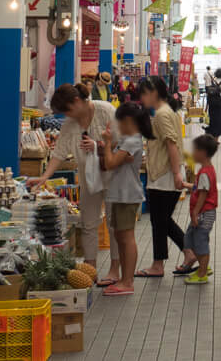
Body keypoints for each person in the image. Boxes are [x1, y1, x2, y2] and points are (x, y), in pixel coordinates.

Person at [27, 82, 114, 275]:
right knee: (88, 223)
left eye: (67, 111)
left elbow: (123, 142)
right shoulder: (69, 125)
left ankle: (115, 270)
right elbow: (59, 153)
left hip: (113, 176)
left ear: (77, 101)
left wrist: (98, 145)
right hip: (87, 180)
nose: (67, 116)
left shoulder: (105, 110)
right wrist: (44, 177)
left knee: (113, 225)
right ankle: (91, 270)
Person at [135, 76, 188, 277]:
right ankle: (186, 253)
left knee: (160, 221)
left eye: (144, 93)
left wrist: (175, 173)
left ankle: (164, 262)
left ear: (154, 93)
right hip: (166, 173)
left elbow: (171, 144)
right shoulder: (167, 112)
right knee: (162, 221)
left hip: (164, 174)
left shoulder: (162, 114)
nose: (141, 98)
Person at [96, 102, 151, 296]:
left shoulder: (131, 141)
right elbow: (117, 161)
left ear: (128, 121)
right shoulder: (129, 140)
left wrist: (108, 144)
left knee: (127, 238)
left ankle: (128, 281)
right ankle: (124, 278)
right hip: (120, 193)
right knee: (120, 236)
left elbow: (110, 164)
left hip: (127, 194)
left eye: (120, 121)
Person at [183, 134, 220, 285]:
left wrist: (195, 213)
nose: (192, 153)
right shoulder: (206, 170)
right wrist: (186, 185)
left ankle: (202, 273)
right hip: (203, 213)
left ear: (203, 152)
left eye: (195, 150)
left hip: (203, 213)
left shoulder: (205, 172)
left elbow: (203, 194)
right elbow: (200, 189)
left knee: (200, 241)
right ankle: (203, 268)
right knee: (190, 238)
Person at [205, 69, 221, 138]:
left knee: (212, 120)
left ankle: (211, 136)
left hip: (211, 104)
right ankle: (216, 139)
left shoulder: (212, 82)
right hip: (219, 105)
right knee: (219, 121)